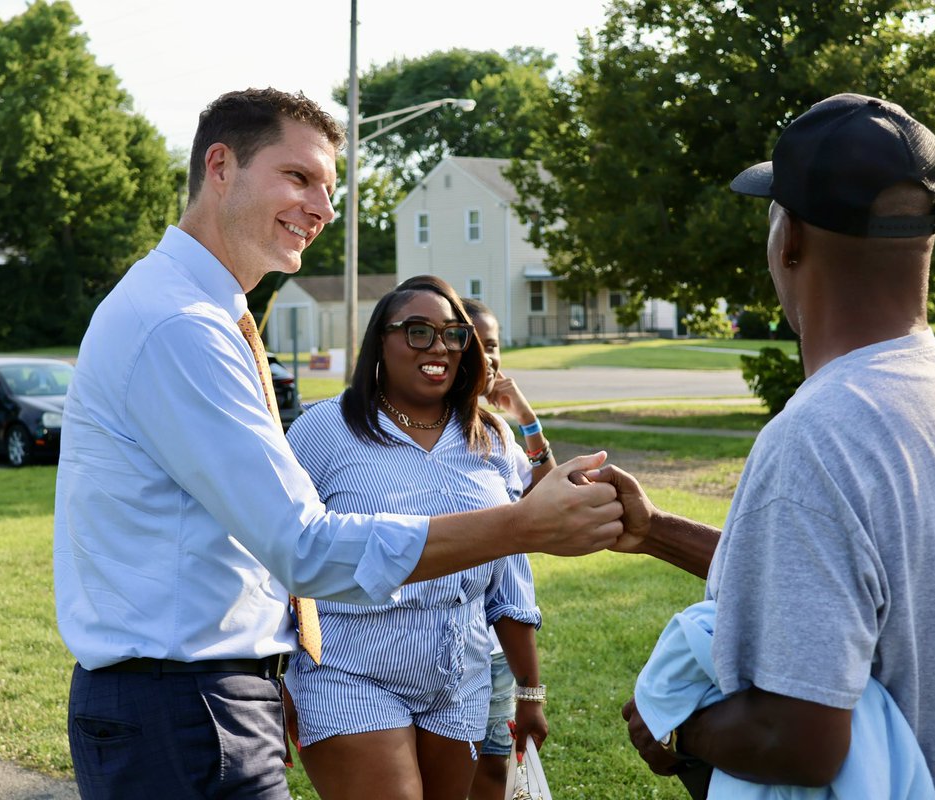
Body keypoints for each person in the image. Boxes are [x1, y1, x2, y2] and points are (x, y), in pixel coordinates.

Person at [52, 88, 624, 800]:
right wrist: (520, 525)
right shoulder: (180, 325)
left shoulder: (203, 311)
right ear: (220, 165)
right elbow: (304, 546)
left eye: (330, 188)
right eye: (298, 177)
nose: (323, 208)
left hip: (200, 701)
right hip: (180, 709)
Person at [602, 93, 935, 798]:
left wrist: (678, 730)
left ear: (790, 238)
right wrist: (656, 532)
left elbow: (801, 740)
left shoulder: (815, 434)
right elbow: (854, 596)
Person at [281, 276, 546, 800]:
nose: (440, 348)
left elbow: (511, 574)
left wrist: (530, 690)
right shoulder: (322, 431)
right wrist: (275, 678)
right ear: (380, 340)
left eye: (453, 334)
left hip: (460, 678)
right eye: (418, 332)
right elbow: (274, 553)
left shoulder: (489, 434)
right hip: (348, 671)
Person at [461, 297, 553, 800]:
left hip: (495, 648)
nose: (484, 354)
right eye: (472, 341)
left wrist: (527, 419)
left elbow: (543, 503)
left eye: (492, 344)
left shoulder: (493, 433)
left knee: (493, 769)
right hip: (434, 640)